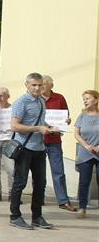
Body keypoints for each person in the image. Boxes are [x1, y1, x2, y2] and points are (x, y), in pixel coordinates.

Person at [8, 72, 58, 230]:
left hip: (39, 148)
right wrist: (38, 128)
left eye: (40, 85)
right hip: (24, 148)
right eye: (34, 85)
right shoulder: (21, 102)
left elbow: (42, 122)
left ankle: (37, 216)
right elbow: (14, 126)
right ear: (27, 85)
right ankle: (15, 216)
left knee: (40, 183)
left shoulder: (41, 101)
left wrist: (51, 129)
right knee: (20, 183)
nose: (37, 88)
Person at [41, 75, 76, 211]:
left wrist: (66, 121)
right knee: (39, 172)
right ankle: (39, 198)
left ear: (51, 85)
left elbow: (66, 116)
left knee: (58, 171)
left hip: (54, 140)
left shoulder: (59, 98)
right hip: (39, 140)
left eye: (44, 84)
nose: (41, 87)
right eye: (39, 84)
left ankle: (63, 201)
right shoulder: (36, 99)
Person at [73, 90, 99, 218]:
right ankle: (82, 208)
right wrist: (86, 145)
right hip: (85, 153)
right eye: (84, 99)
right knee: (84, 182)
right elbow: (76, 134)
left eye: (88, 98)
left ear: (96, 99)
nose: (85, 101)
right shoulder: (82, 116)